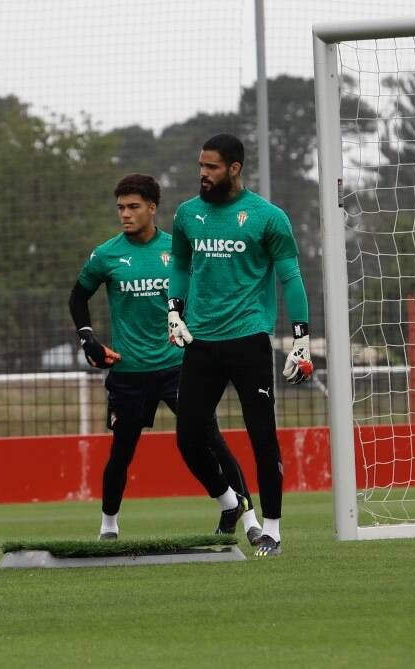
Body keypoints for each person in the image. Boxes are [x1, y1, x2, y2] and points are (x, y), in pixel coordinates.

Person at [69, 173, 262, 544]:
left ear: (153, 208)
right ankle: (108, 528)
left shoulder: (179, 250)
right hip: (128, 372)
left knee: (211, 440)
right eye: (120, 207)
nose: (125, 214)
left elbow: (204, 295)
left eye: (133, 207)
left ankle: (250, 521)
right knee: (121, 453)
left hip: (179, 367)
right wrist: (88, 339)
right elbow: (77, 298)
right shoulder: (106, 255)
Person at [167, 134, 313, 558]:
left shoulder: (268, 217)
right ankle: (231, 502)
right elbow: (179, 265)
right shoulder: (187, 215)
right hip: (200, 341)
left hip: (248, 340)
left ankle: (272, 528)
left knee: (261, 436)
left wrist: (301, 337)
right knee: (188, 437)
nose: (203, 174)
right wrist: (173, 311)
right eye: (200, 166)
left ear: (234, 168)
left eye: (211, 167)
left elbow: (290, 277)